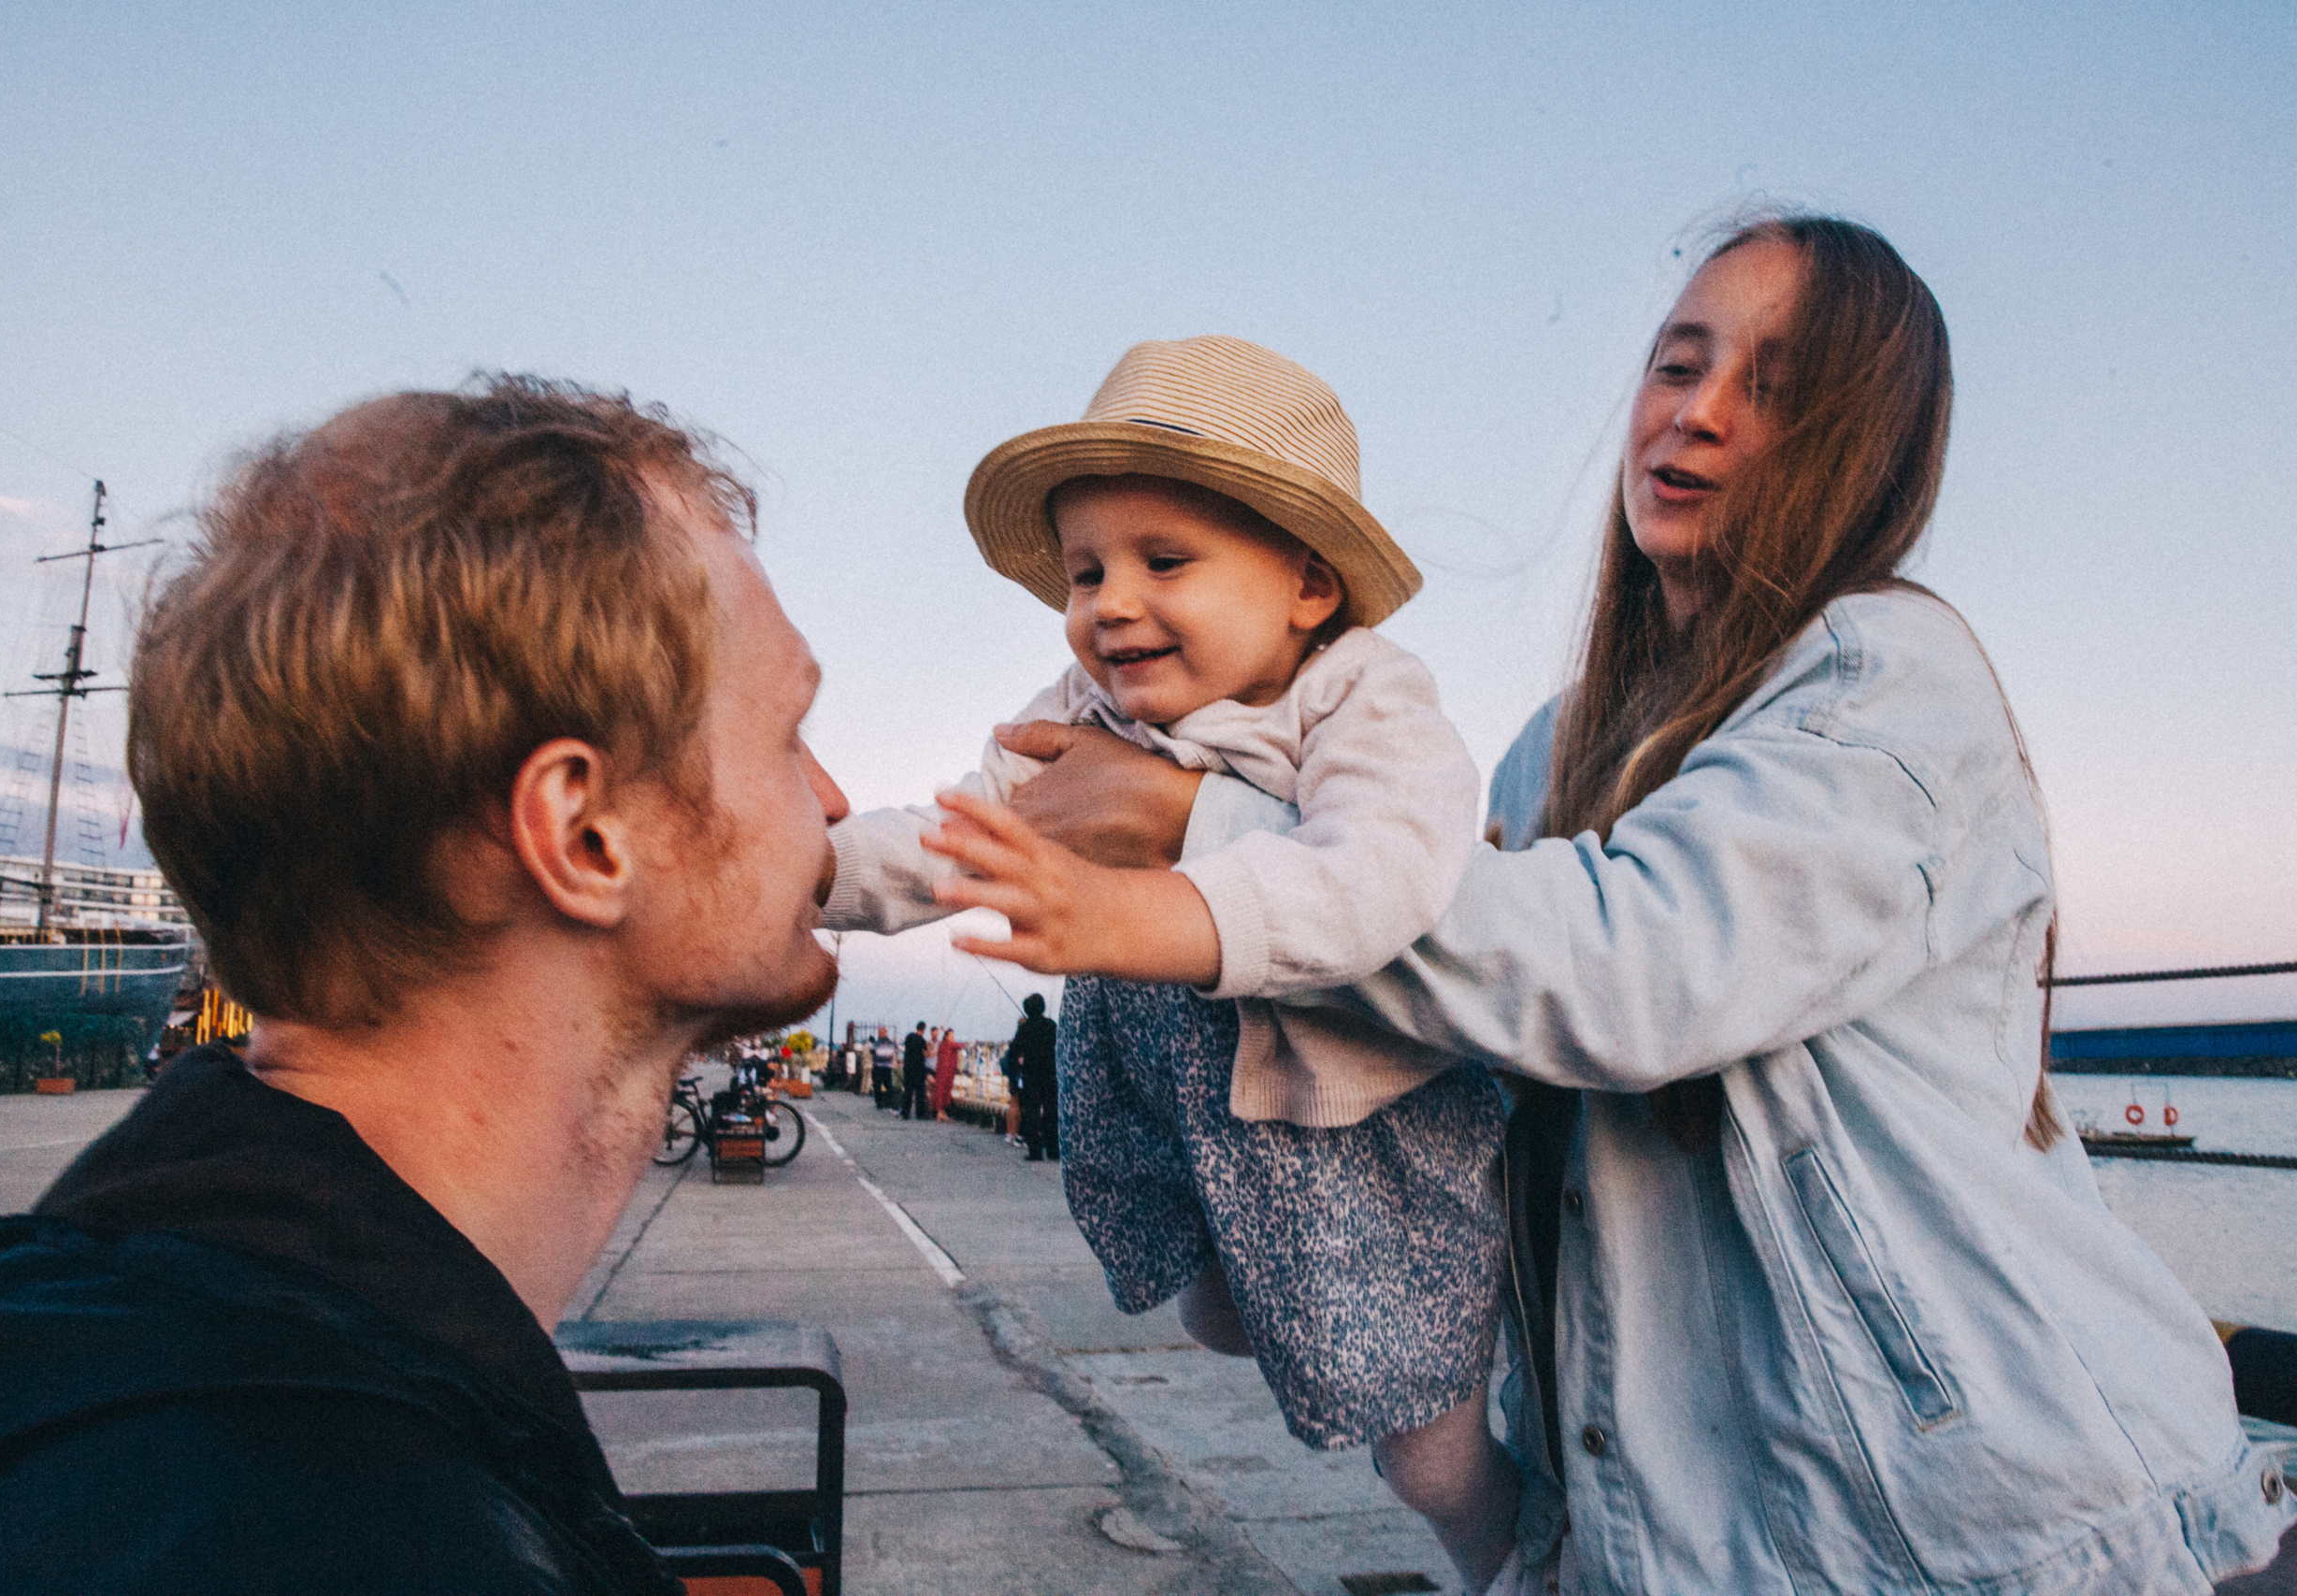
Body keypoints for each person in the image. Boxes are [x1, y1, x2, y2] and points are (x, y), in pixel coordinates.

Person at [960, 218, 2297, 1594]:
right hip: (1681, 1538)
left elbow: (1625, 970)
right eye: (1678, 363)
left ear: (1865, 444)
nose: (1699, 415)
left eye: (1771, 387)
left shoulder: (1886, 679)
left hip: (1990, 1529)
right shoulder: (1552, 748)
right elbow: (1459, 1013)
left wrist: (1196, 826)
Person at [0, 377, 850, 1593]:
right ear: (584, 831)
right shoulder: (369, 1535)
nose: (828, 796)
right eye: (785, 730)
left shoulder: (39, 1353)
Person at [825, 336, 1517, 1589]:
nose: (1109, 602)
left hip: (1338, 1116)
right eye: (1086, 570)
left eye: (1165, 559)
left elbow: (1386, 872)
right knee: (1201, 1308)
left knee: (1418, 1437)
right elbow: (956, 840)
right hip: (1167, 1099)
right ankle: (1287, 1313)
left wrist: (1144, 911)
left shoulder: (1358, 694)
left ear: (1307, 585)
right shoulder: (1084, 713)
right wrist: (802, 872)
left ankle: (1514, 1551)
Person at [998, 994, 1057, 1163]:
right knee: (1051, 1112)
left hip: (1031, 1076)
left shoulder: (1024, 1028)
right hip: (1050, 1075)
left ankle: (1035, 1152)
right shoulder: (1051, 1025)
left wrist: (1017, 1073)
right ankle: (1053, 1150)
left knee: (1032, 1114)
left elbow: (1013, 1052)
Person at [898, 1021, 931, 1120]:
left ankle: (905, 1112)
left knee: (908, 1091)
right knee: (919, 1092)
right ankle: (920, 1113)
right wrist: (929, 1049)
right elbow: (926, 1054)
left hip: (908, 1067)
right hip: (919, 1068)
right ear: (924, 1030)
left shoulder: (909, 1037)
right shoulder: (921, 1040)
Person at [930, 1026, 963, 1121]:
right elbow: (960, 1045)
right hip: (945, 1072)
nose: (953, 1037)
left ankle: (942, 1113)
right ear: (947, 1037)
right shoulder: (949, 1044)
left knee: (943, 1092)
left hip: (944, 1071)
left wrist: (946, 1032)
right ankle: (940, 1113)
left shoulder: (943, 1044)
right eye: (951, 1035)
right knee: (943, 1092)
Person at [869, 1025, 897, 1109]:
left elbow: (872, 1052)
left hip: (879, 1067)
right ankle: (889, 1102)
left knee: (878, 1085)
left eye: (880, 1031)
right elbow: (894, 1051)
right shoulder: (891, 1043)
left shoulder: (875, 1044)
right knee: (887, 1085)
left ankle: (880, 1102)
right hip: (887, 1067)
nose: (879, 1033)